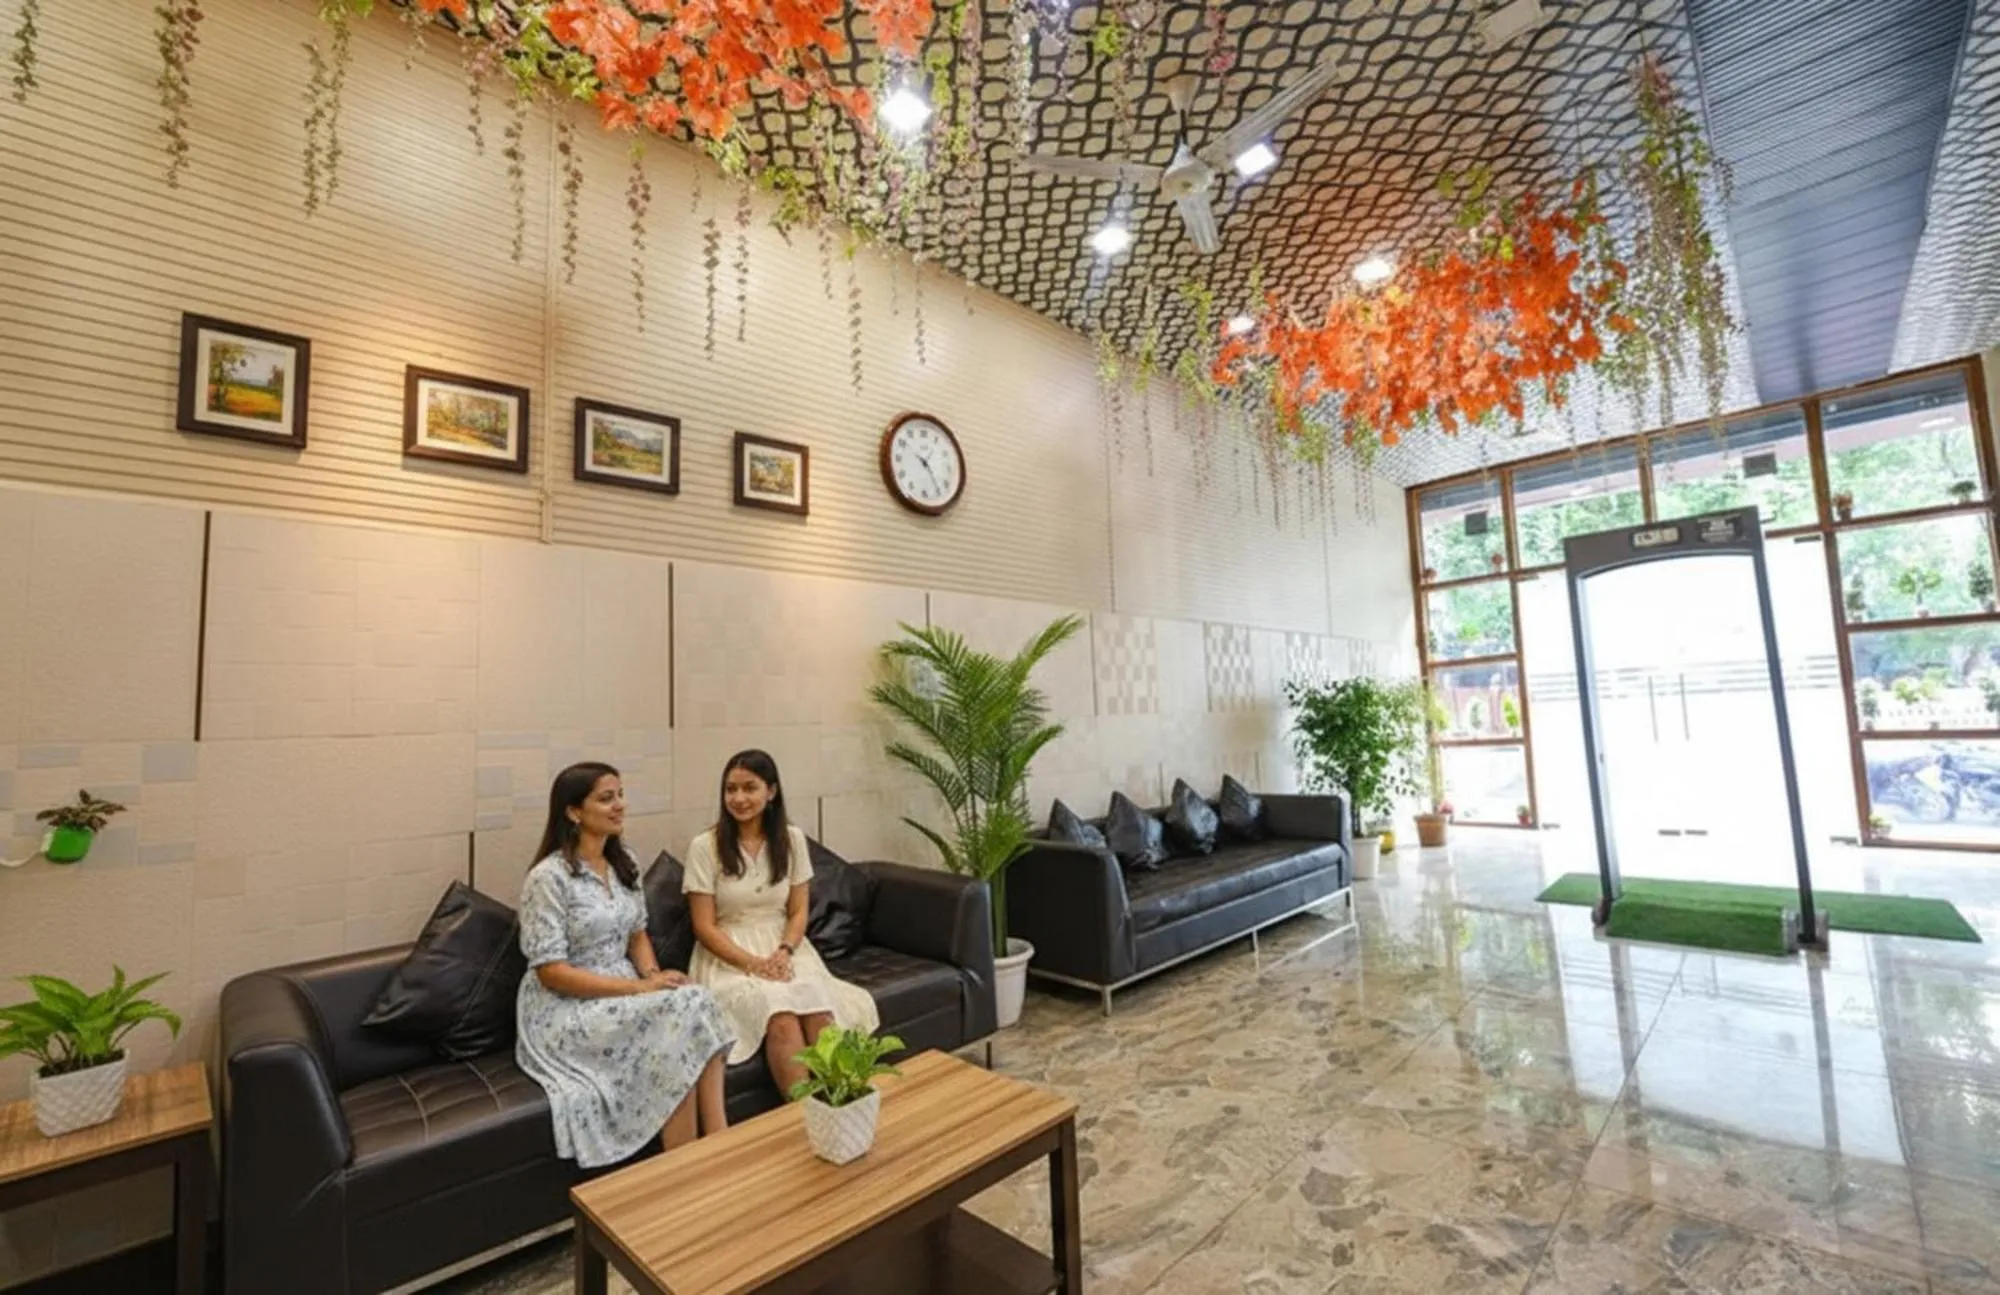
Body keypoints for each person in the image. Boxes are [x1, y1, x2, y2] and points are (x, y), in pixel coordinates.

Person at [515, 762, 732, 1168]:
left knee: (694, 1000)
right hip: (565, 1008)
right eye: (606, 798)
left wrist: (653, 974)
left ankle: (717, 1143)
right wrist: (640, 988)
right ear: (573, 812)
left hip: (625, 989)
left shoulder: (624, 862)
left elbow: (637, 935)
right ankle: (689, 1163)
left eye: (620, 795)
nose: (620, 806)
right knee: (682, 1013)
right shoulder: (548, 878)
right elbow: (551, 972)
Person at [684, 749, 879, 1096]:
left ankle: (844, 1104)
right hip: (728, 957)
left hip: (785, 947)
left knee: (818, 1009)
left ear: (771, 792)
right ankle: (802, 1113)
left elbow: (798, 911)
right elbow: (704, 927)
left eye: (750, 788)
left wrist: (784, 951)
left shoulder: (791, 840)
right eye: (731, 789)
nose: (739, 798)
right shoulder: (704, 846)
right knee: (780, 1015)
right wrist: (754, 964)